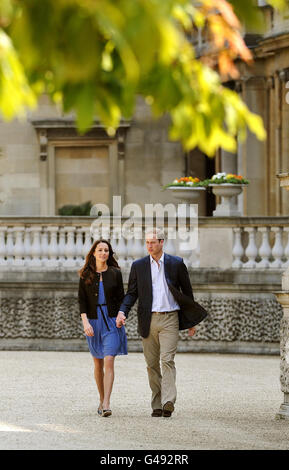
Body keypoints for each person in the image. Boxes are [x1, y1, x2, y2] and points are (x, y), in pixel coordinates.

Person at [116, 228, 207, 418]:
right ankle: (157, 403)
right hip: (148, 319)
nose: (149, 245)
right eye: (147, 242)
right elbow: (132, 293)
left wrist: (192, 320)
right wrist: (122, 312)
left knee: (167, 360)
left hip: (170, 318)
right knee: (151, 364)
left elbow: (187, 293)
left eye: (153, 242)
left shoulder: (176, 263)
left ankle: (168, 401)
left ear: (161, 242)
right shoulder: (139, 266)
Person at [78, 239, 127, 417]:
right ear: (93, 253)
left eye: (106, 250)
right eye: (100, 250)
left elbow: (122, 298)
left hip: (112, 321)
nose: (103, 253)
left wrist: (122, 315)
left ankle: (107, 403)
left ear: (109, 253)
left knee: (109, 360)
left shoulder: (115, 273)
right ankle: (101, 399)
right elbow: (81, 301)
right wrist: (85, 323)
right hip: (93, 321)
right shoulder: (85, 274)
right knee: (98, 363)